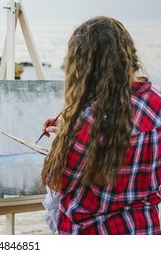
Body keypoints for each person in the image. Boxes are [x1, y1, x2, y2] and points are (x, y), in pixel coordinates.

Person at [40, 16, 161, 235]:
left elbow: (59, 182)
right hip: (144, 229)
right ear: (127, 53)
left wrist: (61, 140)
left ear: (85, 66)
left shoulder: (89, 121)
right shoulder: (157, 104)